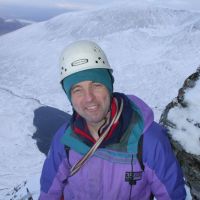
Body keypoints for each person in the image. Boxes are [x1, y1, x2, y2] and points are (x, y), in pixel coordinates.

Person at [39, 40, 186, 200]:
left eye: (96, 85)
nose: (89, 98)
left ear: (109, 86)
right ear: (70, 97)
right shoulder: (64, 141)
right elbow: (49, 193)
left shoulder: (149, 141)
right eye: (77, 90)